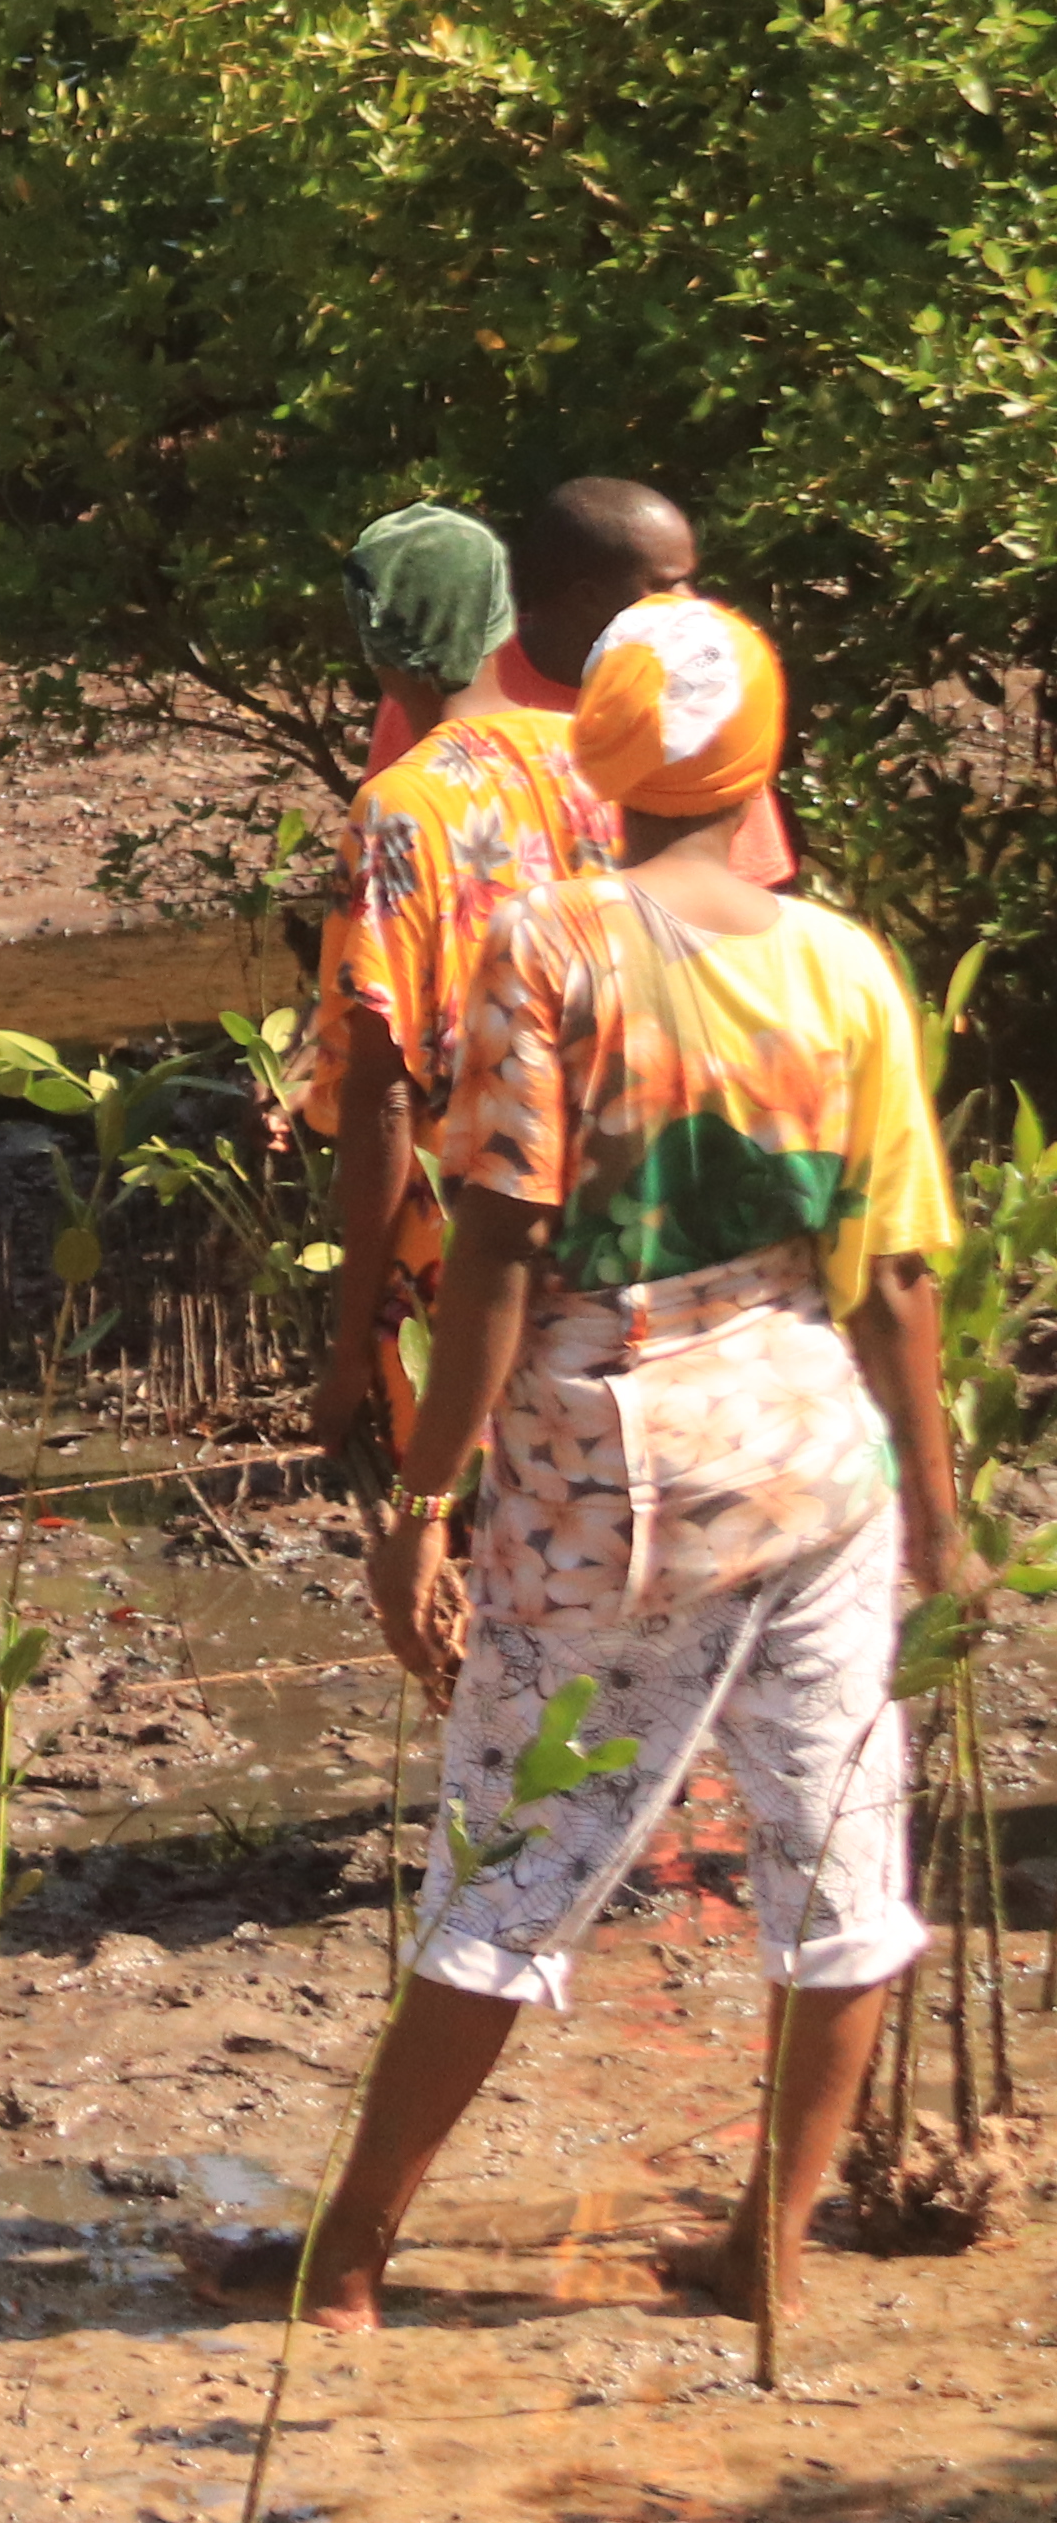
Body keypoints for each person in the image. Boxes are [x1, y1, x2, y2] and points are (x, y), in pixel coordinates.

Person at [217, 592, 963, 2334]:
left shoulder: (555, 948)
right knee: (842, 1860)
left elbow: (496, 1250)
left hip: (609, 1464)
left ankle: (348, 2262)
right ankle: (767, 2255)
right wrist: (936, 1513)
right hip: (813, 1452)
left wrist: (422, 1500)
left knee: (520, 1856)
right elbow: (903, 1275)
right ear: (765, 756)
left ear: (602, 756)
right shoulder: (841, 965)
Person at [304, 502, 619, 1449]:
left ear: (377, 649)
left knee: (464, 1522)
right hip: (615, 1204)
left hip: (465, 1235)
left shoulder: (399, 806)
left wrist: (354, 1337)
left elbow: (387, 1098)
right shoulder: (597, 761)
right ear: (503, 618)